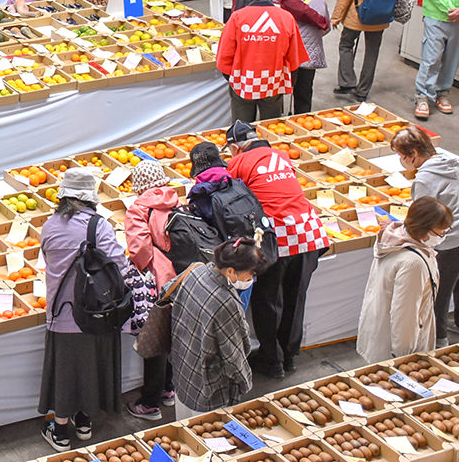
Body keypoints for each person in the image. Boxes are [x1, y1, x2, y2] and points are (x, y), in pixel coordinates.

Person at [226, 119, 330, 376]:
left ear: (235, 148)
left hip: (278, 237)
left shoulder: (238, 163)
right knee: (296, 298)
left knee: (269, 300)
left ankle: (272, 361)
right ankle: (290, 356)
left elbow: (228, 196)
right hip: (310, 232)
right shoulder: (281, 156)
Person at [39, 167, 124, 450]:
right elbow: (119, 265)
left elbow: (49, 261)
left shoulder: (49, 225)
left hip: (61, 313)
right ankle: (85, 421)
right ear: (89, 198)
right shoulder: (98, 226)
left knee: (65, 371)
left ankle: (60, 431)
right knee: (90, 367)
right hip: (94, 314)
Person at [393, 126, 459, 345]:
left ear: (413, 154)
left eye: (401, 156)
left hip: (454, 242)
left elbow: (423, 219)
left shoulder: (424, 179)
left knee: (437, 292)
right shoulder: (452, 163)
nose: (401, 161)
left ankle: (438, 339)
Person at [171, 238, 263, 419]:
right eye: (250, 274)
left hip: (184, 369)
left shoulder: (196, 271)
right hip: (209, 386)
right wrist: (245, 383)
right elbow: (233, 355)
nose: (251, 279)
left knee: (182, 431)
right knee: (204, 436)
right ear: (231, 271)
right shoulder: (226, 303)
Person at [357, 196, 452, 361]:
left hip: (379, 331)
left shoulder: (393, 238)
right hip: (397, 347)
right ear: (425, 229)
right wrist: (404, 356)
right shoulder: (413, 263)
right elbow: (405, 313)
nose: (443, 236)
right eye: (440, 232)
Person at [123, 160, 180, 420]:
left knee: (155, 339)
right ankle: (169, 389)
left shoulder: (138, 209)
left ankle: (150, 403)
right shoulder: (176, 200)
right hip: (182, 276)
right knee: (173, 333)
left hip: (157, 281)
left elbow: (140, 251)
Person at [218, 0, 304, 122]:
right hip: (273, 82)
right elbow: (294, 59)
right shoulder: (286, 18)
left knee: (242, 130)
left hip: (242, 82)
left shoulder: (238, 17)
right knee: (271, 127)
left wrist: (233, 77)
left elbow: (224, 55)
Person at [281, 0, 329, 114]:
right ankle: (302, 122)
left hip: (288, 55)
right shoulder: (319, 1)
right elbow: (326, 27)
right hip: (310, 56)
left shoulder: (285, 0)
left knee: (280, 89)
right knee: (304, 92)